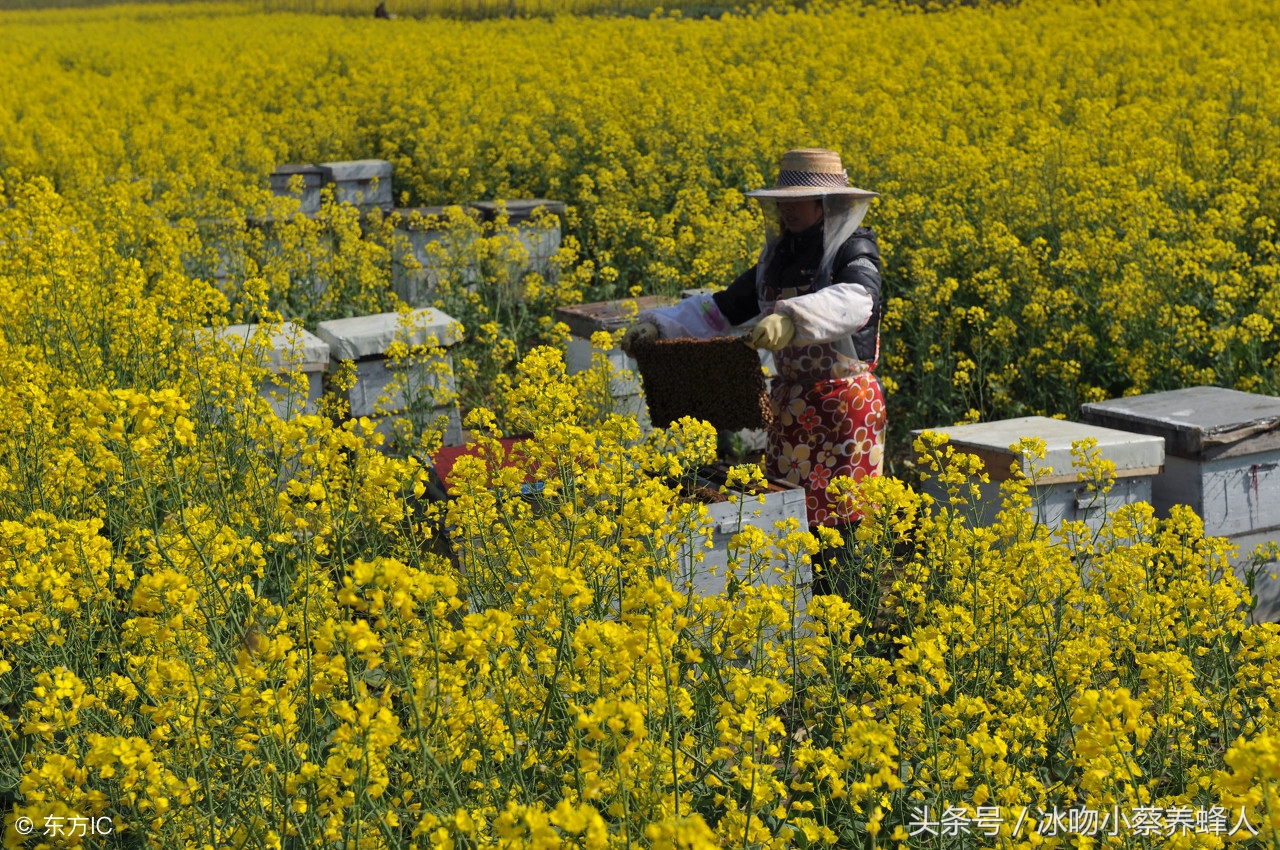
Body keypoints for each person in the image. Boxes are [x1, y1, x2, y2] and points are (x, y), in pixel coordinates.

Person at [621, 148, 886, 598]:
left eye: (797, 200)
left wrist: (793, 319)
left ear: (827, 203)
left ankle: (849, 618)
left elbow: (859, 300)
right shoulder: (777, 257)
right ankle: (805, 618)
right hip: (790, 407)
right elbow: (721, 309)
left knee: (842, 521)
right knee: (787, 509)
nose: (787, 209)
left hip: (845, 410)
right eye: (782, 200)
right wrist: (660, 324)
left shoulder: (855, 248)